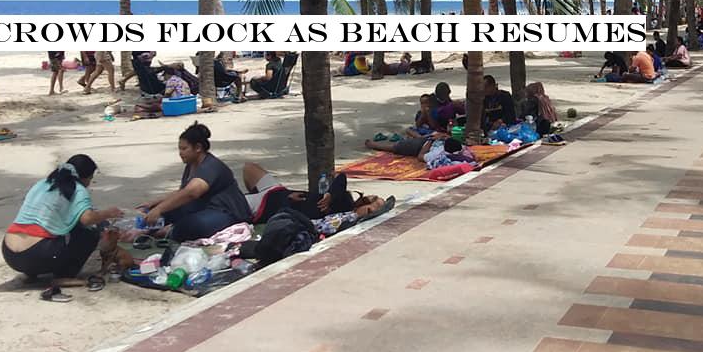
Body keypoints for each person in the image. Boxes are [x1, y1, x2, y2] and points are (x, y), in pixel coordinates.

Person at [3, 155, 122, 297]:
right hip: (37, 254)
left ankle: (32, 274)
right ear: (85, 177)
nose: (89, 183)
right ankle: (65, 275)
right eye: (90, 179)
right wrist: (108, 213)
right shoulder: (78, 189)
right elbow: (87, 219)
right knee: (91, 231)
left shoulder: (42, 184)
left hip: (10, 253)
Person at [140, 123, 252, 242]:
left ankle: (170, 231)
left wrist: (159, 209)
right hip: (202, 207)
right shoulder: (191, 165)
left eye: (184, 149)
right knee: (154, 212)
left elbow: (191, 193)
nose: (180, 153)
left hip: (225, 211)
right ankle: (148, 230)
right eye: (179, 149)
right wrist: (154, 204)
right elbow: (182, 192)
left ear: (198, 148)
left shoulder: (211, 166)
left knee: (191, 226)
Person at [242, 164, 388, 223]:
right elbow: (340, 176)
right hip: (277, 191)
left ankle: (251, 206)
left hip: (266, 205)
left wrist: (289, 200)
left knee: (229, 199)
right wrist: (330, 195)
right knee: (249, 168)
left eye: (371, 206)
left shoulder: (338, 216)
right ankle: (253, 199)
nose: (370, 197)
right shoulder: (341, 199)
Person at [365, 134, 471, 170]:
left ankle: (374, 145)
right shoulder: (462, 149)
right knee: (420, 137)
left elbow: (420, 156)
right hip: (433, 141)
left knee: (397, 147)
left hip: (423, 146)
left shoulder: (437, 155)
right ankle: (411, 133)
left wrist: (431, 140)